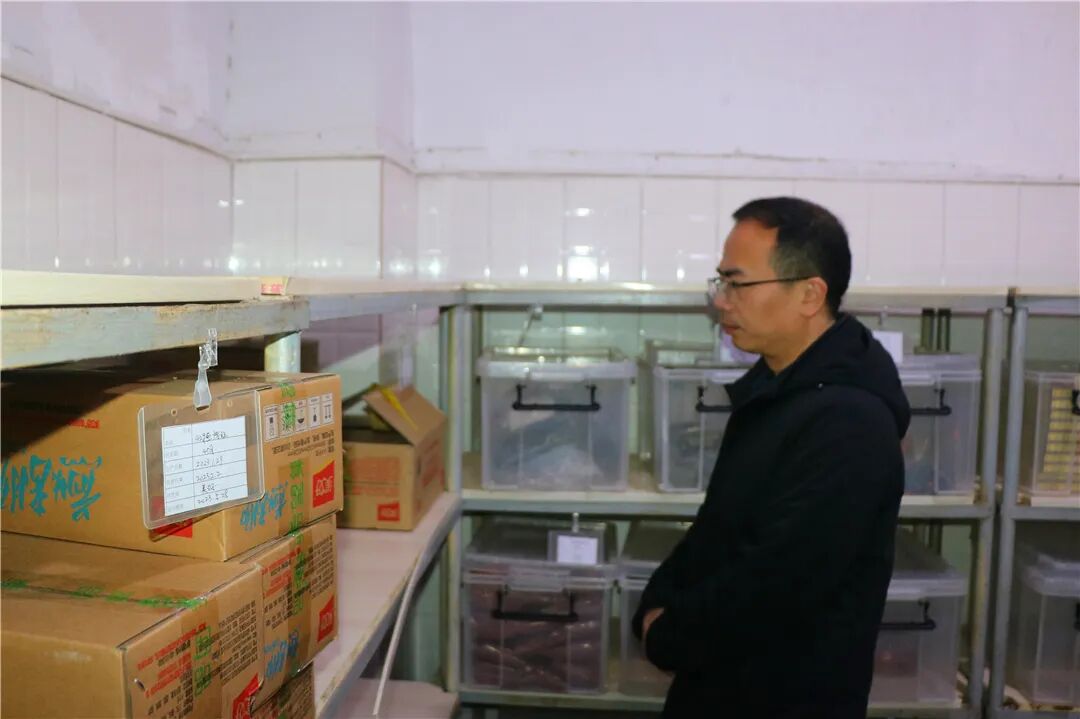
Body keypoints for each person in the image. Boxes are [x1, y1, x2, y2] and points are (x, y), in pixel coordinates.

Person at [633, 197, 911, 718]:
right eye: (720, 282)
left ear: (809, 294)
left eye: (738, 284)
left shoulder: (849, 425)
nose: (722, 301)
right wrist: (656, 603)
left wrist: (667, 636)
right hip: (720, 685)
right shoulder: (777, 387)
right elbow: (717, 531)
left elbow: (775, 584)